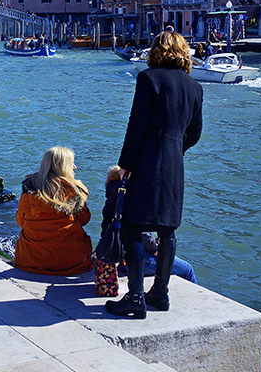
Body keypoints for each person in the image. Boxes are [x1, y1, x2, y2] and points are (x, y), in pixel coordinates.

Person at [105, 31, 203, 318]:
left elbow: (136, 126)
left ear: (156, 52)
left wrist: (126, 164)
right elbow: (194, 134)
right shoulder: (195, 87)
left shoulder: (148, 79)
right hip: (175, 164)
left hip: (147, 160)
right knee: (168, 230)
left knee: (134, 226)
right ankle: (160, 292)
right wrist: (175, 148)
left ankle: (135, 297)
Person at [98, 166, 196, 284]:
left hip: (113, 254)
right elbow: (142, 232)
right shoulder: (131, 195)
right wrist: (155, 248)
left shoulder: (112, 196)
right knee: (187, 270)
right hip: (129, 258)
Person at [13, 147, 93, 275]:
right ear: (63, 167)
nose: (75, 167)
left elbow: (21, 222)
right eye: (71, 163)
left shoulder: (29, 191)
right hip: (72, 264)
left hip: (30, 262)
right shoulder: (76, 193)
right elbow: (85, 220)